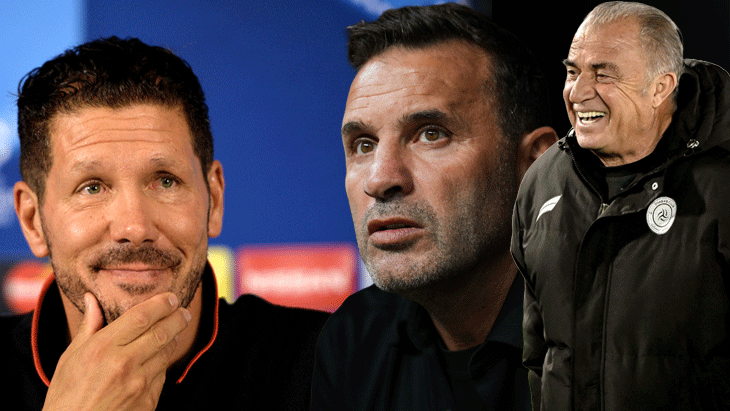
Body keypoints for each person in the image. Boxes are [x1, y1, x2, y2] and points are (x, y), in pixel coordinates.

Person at [0, 36, 328, 410]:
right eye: (92, 187)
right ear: (32, 220)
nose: (135, 227)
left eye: (165, 181)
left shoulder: (331, 365)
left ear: (214, 199)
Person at [311, 4, 557, 410]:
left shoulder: (625, 338)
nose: (379, 179)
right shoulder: (354, 342)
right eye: (364, 145)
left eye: (430, 134)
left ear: (536, 168)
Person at [511, 1, 730, 410]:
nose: (577, 93)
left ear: (661, 88)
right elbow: (539, 355)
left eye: (603, 74)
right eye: (572, 72)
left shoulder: (722, 184)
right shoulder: (542, 181)